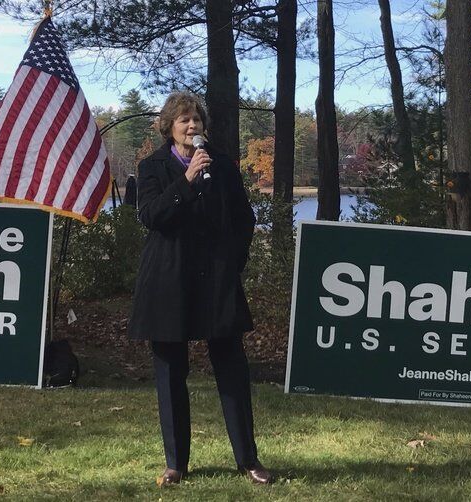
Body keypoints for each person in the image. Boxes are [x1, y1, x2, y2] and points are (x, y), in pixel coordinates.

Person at [127, 92, 272, 487]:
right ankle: (176, 464)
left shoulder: (222, 165)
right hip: (167, 280)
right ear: (168, 127)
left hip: (216, 282)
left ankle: (248, 460)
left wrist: (232, 264)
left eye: (197, 121)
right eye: (184, 121)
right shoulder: (153, 166)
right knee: (171, 372)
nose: (193, 127)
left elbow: (244, 219)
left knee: (232, 369)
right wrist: (187, 179)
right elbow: (152, 216)